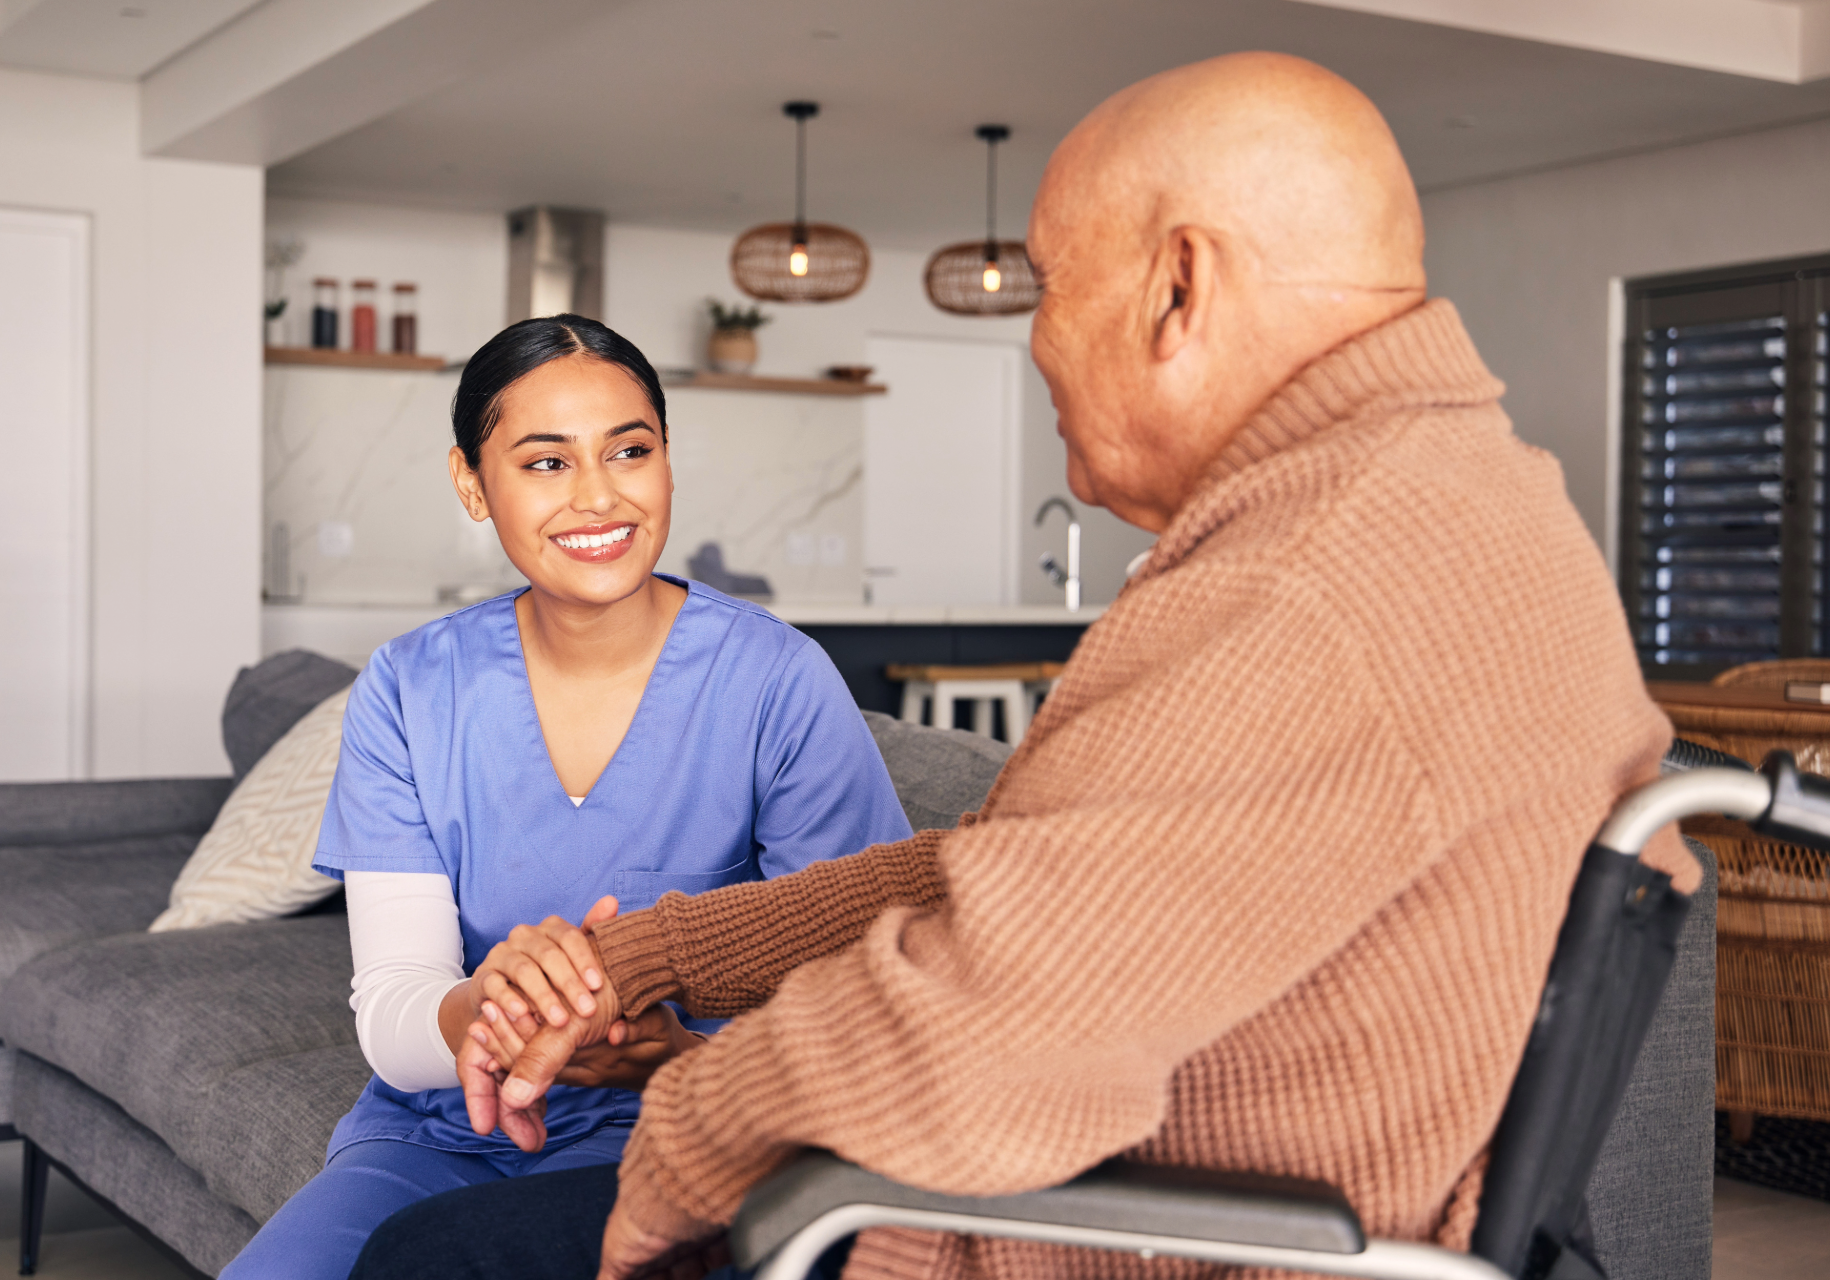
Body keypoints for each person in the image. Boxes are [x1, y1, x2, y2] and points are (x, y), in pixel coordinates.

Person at [352, 51, 1699, 1280]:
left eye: (1053, 288)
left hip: (1095, 1237)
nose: (1037, 341)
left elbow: (969, 1035)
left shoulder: (1307, 591)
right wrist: (657, 951)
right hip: (1151, 1188)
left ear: (1180, 287)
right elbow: (998, 877)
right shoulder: (1465, 499)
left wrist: (685, 1139)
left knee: (430, 1264)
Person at [219, 315, 912, 1279]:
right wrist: (492, 1009)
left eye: (631, 450)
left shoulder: (776, 681)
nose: (599, 496)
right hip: (436, 1136)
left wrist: (670, 1053)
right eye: (546, 463)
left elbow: (867, 987)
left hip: (693, 1133)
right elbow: (392, 1010)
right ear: (472, 483)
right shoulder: (410, 688)